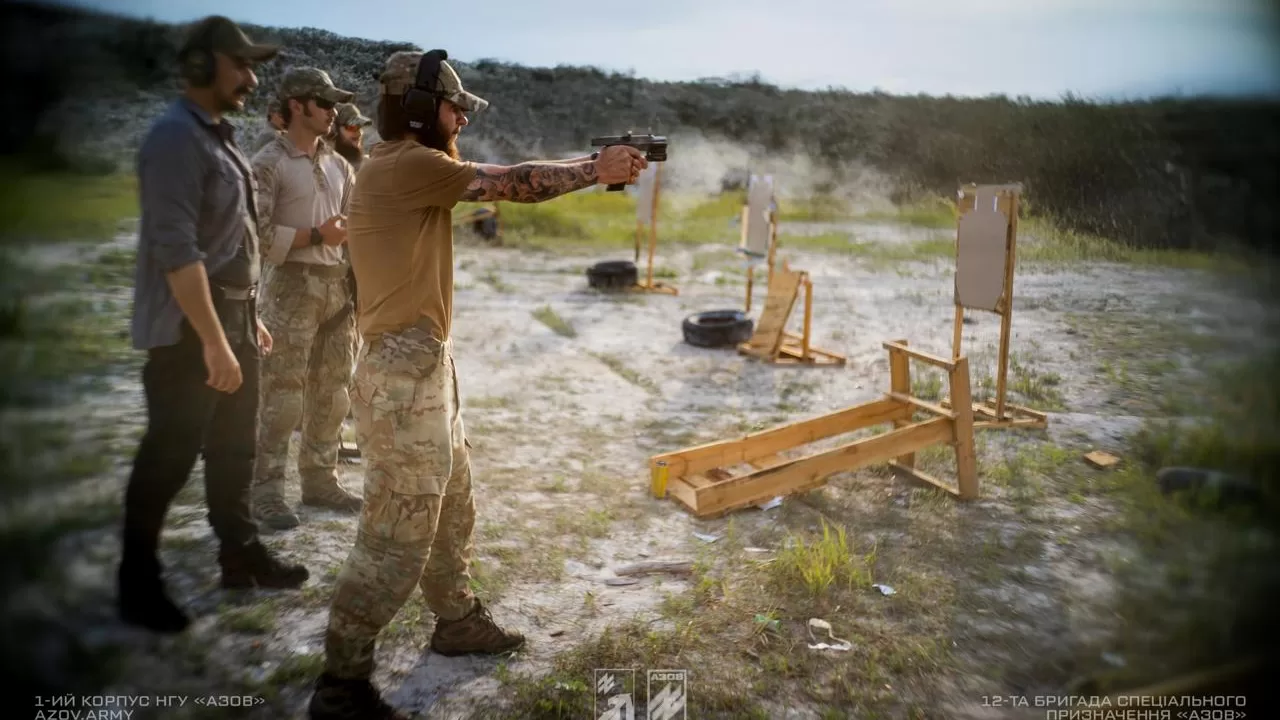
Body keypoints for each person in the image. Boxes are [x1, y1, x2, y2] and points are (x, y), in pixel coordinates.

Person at [306, 49, 647, 719]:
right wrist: (595, 168)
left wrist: (592, 160)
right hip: (403, 378)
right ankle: (340, 684)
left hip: (424, 366)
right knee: (395, 535)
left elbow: (506, 173)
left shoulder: (403, 165)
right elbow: (512, 182)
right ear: (416, 108)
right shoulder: (407, 164)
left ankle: (456, 620)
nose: (461, 115)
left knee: (453, 503)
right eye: (451, 105)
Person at [118, 15, 309, 635]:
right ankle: (136, 583)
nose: (252, 77)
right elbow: (179, 253)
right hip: (186, 328)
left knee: (235, 445)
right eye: (241, 64)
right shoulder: (175, 139)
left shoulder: (218, 136)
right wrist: (212, 341)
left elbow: (238, 240)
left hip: (231, 317)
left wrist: (247, 321)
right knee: (169, 458)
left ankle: (240, 554)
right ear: (202, 65)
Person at [249, 67, 363, 531]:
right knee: (282, 397)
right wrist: (315, 234)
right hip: (290, 288)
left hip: (337, 290)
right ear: (298, 105)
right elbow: (253, 233)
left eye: (335, 103)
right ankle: (267, 493)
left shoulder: (340, 166)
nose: (334, 111)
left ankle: (320, 481)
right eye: (325, 102)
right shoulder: (267, 163)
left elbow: (355, 230)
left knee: (333, 393)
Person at [328, 102, 372, 170]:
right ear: (334, 130)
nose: (359, 133)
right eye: (352, 127)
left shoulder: (368, 164)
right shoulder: (324, 166)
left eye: (360, 127)